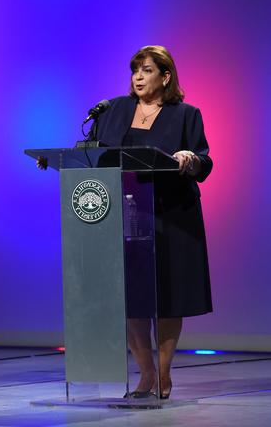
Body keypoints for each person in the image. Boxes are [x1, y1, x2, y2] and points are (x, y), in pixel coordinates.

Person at [95, 45, 213, 399]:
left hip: (171, 214)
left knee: (168, 296)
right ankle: (145, 373)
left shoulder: (185, 114)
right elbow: (95, 152)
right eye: (135, 70)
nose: (138, 77)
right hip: (126, 213)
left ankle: (162, 373)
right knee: (132, 297)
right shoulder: (114, 110)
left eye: (146, 70)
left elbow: (203, 159)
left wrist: (189, 159)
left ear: (165, 77)